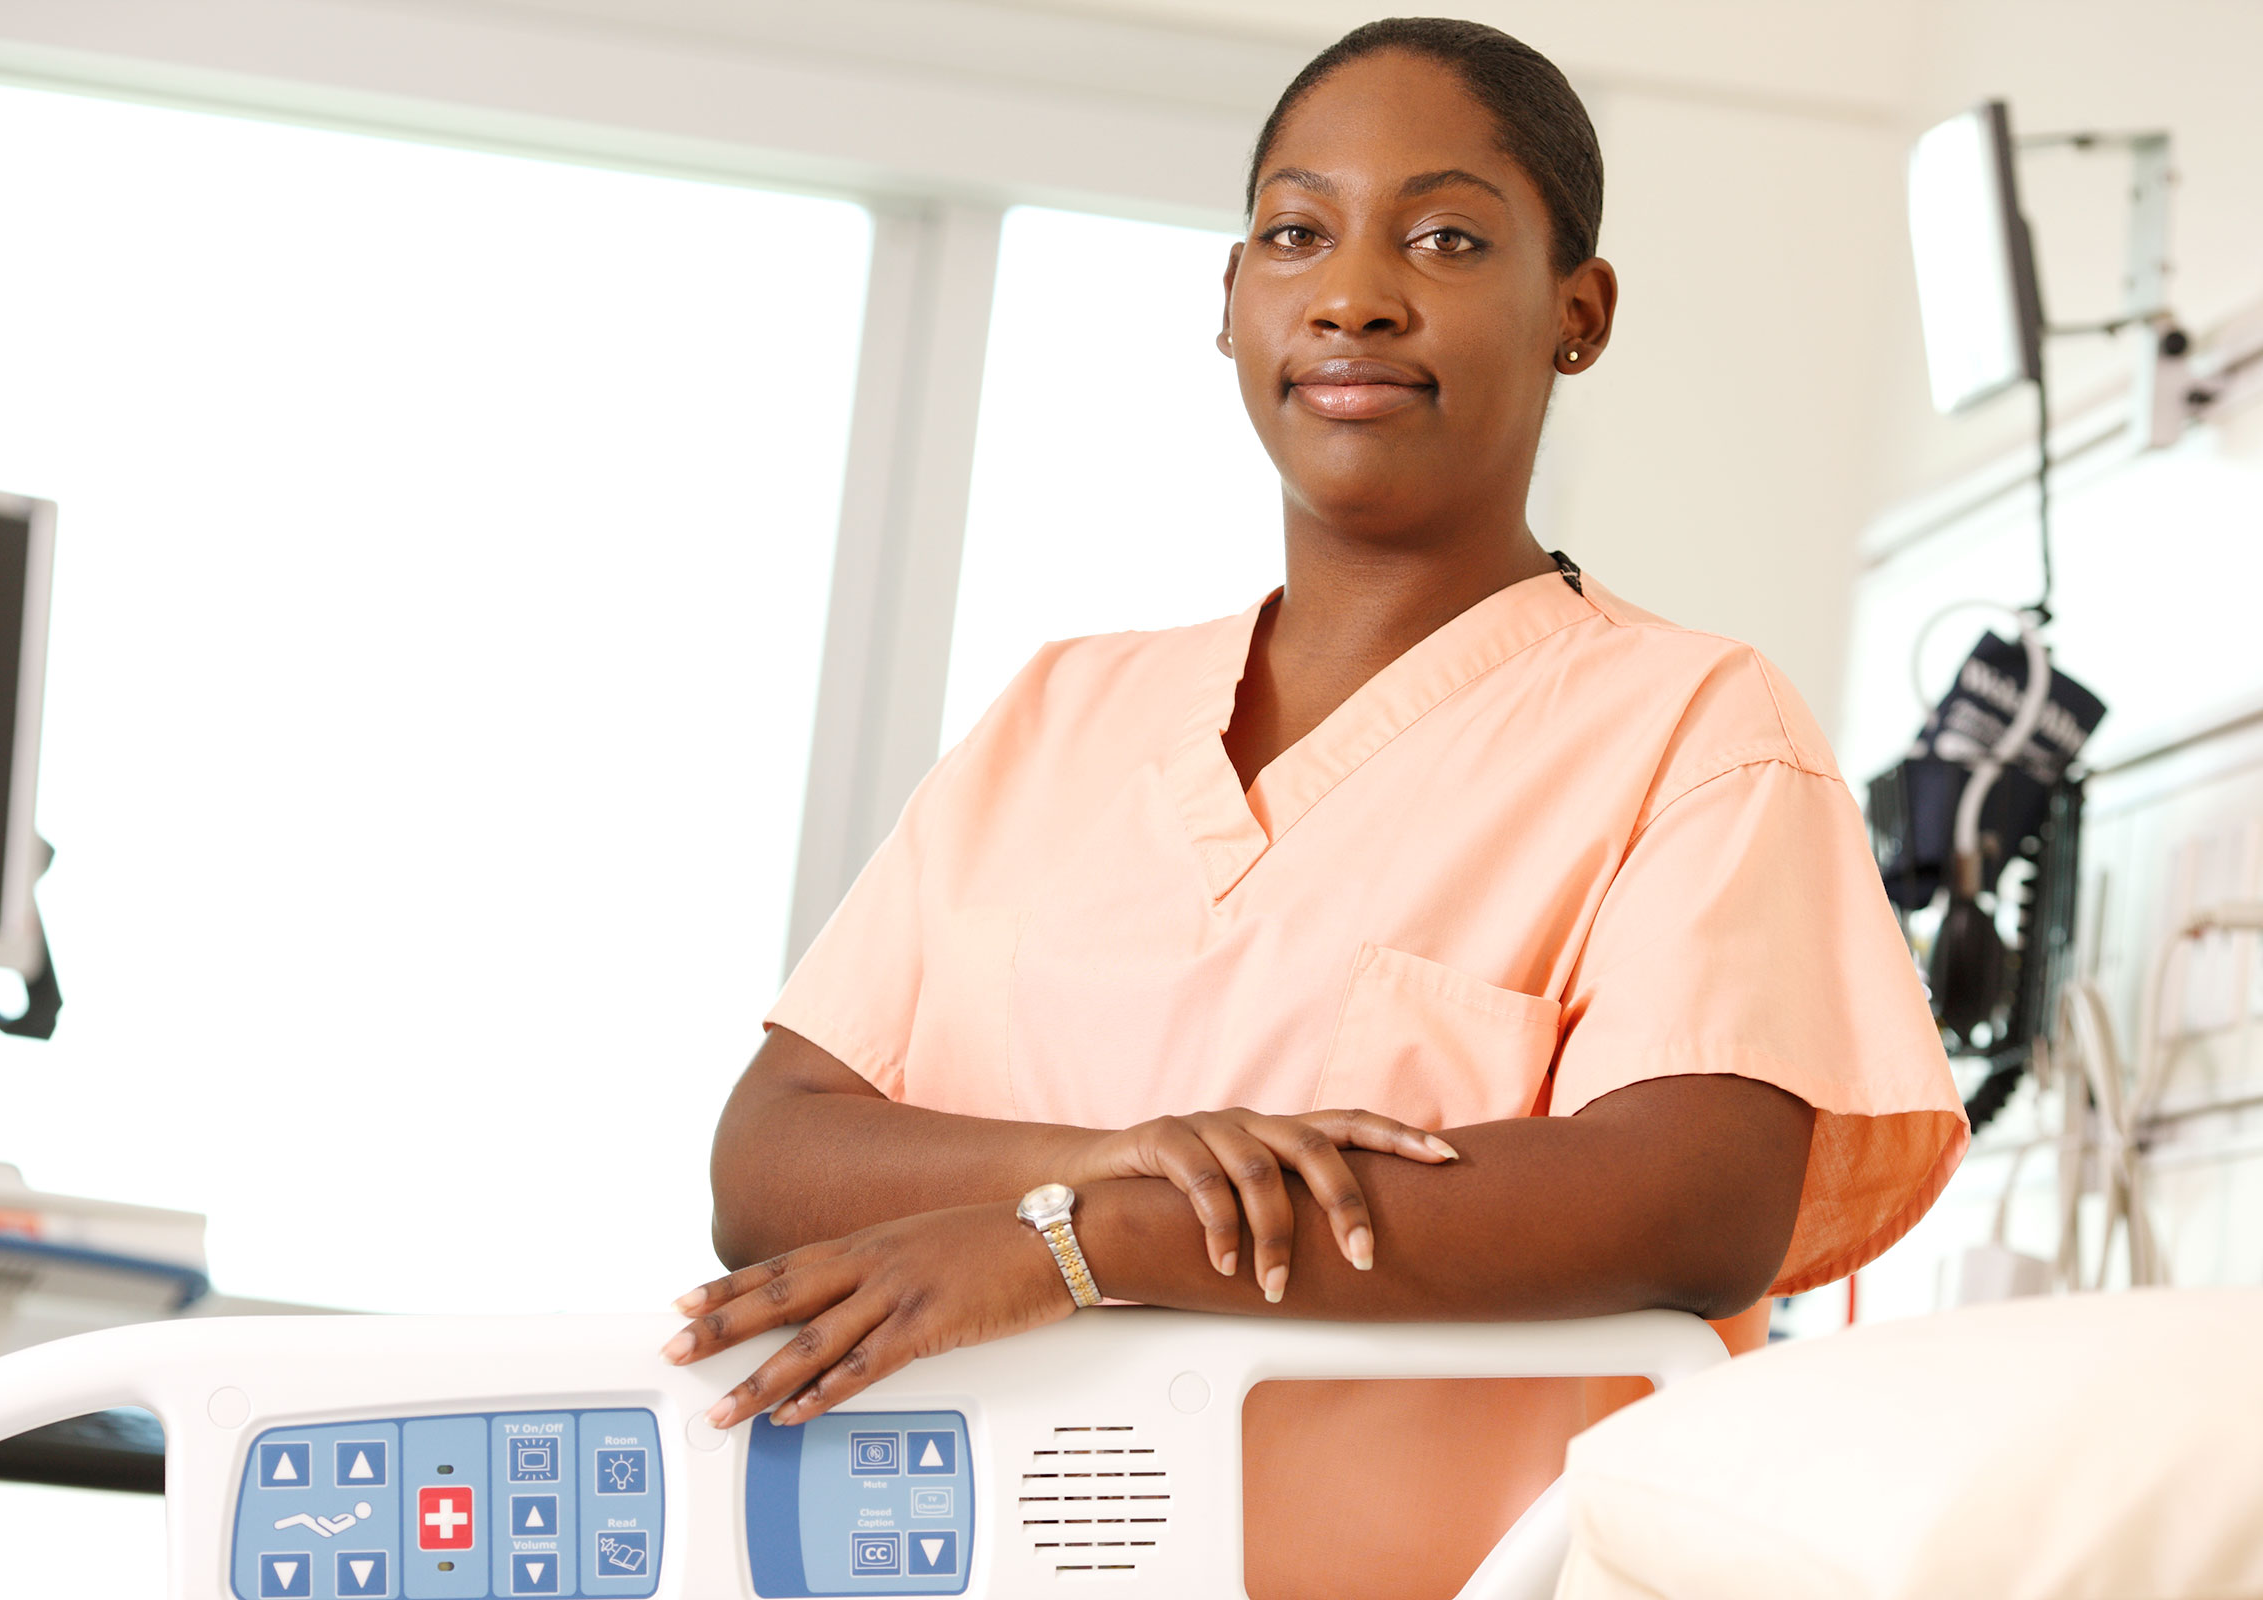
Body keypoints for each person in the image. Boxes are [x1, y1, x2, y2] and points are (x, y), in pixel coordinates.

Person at [670, 17, 1966, 1597]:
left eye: (1443, 235)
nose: (1353, 291)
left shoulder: (1693, 727)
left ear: (1579, 312)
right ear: (1229, 305)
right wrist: (1125, 1157)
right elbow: (771, 1158)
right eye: (1297, 232)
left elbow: (1692, 1198)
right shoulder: (1064, 710)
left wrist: (1084, 1237)